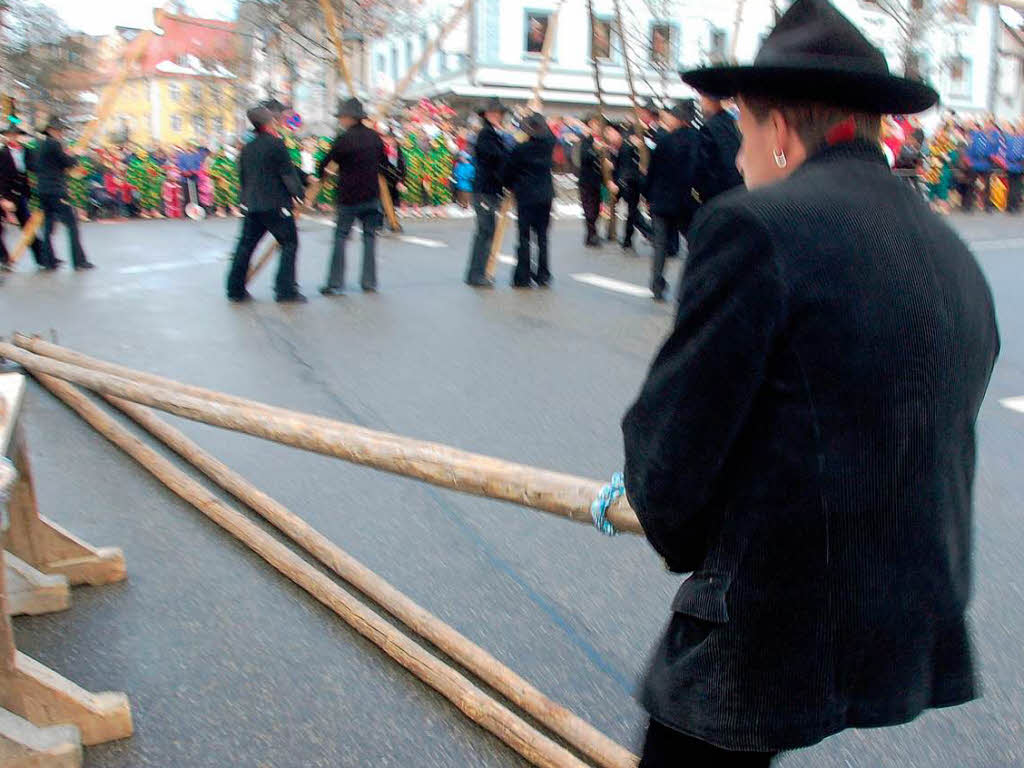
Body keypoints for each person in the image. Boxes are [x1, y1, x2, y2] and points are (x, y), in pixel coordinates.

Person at [621, 0, 999, 765]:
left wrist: (688, 535)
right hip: (906, 613)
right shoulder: (948, 248)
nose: (736, 160)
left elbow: (671, 460)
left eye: (747, 134)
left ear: (783, 134)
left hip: (775, 622)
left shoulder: (753, 226)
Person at [225, 106, 305, 303]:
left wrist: (243, 201)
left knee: (245, 246)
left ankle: (235, 289)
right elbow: (287, 172)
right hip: (276, 205)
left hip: (252, 205)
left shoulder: (247, 148)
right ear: (269, 122)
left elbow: (243, 177)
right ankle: (285, 290)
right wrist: (299, 194)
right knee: (289, 243)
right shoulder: (276, 144)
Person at [317, 97, 386, 296]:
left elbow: (326, 163)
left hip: (348, 196)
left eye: (342, 117)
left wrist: (321, 175)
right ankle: (369, 281)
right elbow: (384, 164)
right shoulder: (375, 137)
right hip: (371, 194)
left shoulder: (344, 139)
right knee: (370, 238)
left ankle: (335, 282)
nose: (340, 120)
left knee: (340, 238)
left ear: (349, 118)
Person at [643, 101, 699, 302]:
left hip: (661, 201)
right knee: (693, 243)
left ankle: (657, 285)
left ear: (679, 119)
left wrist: (647, 196)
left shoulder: (665, 141)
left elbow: (652, 172)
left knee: (660, 245)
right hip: (685, 202)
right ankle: (690, 285)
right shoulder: (697, 141)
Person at [31, 117, 93, 270]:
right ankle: (78, 261)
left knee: (47, 226)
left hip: (43, 189)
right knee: (72, 225)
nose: (61, 134)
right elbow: (67, 162)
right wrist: (77, 155)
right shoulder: (54, 143)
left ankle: (48, 261)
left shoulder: (39, 145)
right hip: (56, 190)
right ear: (52, 131)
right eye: (59, 131)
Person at [504, 111, 556, 289]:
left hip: (526, 196)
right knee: (542, 237)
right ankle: (543, 275)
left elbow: (508, 171)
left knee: (524, 237)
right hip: (545, 195)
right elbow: (550, 134)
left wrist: (509, 184)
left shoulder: (521, 149)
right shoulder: (549, 145)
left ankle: (523, 276)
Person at [465, 97, 510, 288]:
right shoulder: (486, 135)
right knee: (485, 231)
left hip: (490, 190)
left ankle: (477, 272)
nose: (495, 116)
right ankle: (476, 274)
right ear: (486, 116)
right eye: (492, 113)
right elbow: (496, 158)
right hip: (484, 190)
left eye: (498, 113)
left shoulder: (495, 134)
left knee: (486, 231)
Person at [0, 121, 49, 270]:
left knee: (28, 227)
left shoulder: (27, 151)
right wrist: (2, 198)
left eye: (15, 135)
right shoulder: (2, 153)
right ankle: (4, 259)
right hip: (4, 193)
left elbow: (34, 168)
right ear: (7, 136)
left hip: (20, 193)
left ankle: (42, 258)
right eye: (10, 135)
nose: (13, 137)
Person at [605, 121, 651, 252]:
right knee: (630, 212)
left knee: (632, 212)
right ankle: (627, 239)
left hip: (630, 183)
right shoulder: (613, 147)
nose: (609, 136)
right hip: (623, 182)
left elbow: (630, 167)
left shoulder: (628, 144)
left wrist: (618, 183)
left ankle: (644, 234)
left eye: (610, 132)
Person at [694, 91, 744, 205]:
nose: (701, 104)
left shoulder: (709, 128)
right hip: (739, 192)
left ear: (710, 101)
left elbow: (706, 169)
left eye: (702, 99)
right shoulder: (732, 121)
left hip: (719, 197)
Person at [577, 114, 606, 248]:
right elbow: (584, 156)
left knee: (596, 208)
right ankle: (591, 234)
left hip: (598, 180)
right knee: (589, 208)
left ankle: (591, 234)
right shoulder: (586, 139)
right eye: (596, 125)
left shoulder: (602, 140)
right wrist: (595, 150)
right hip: (586, 179)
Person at [380, 128, 407, 229]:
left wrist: (401, 181)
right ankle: (383, 223)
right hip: (384, 179)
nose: (389, 141)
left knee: (393, 202)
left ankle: (392, 222)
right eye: (387, 139)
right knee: (382, 203)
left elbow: (402, 166)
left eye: (391, 139)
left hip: (394, 180)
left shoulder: (398, 151)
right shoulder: (381, 150)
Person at [1005, 119, 1023, 214]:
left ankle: (1010, 206)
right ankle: (1014, 206)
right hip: (1018, 166)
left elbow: (1007, 153)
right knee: (1016, 187)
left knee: (1012, 186)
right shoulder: (1021, 139)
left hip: (1011, 165)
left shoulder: (1010, 139)